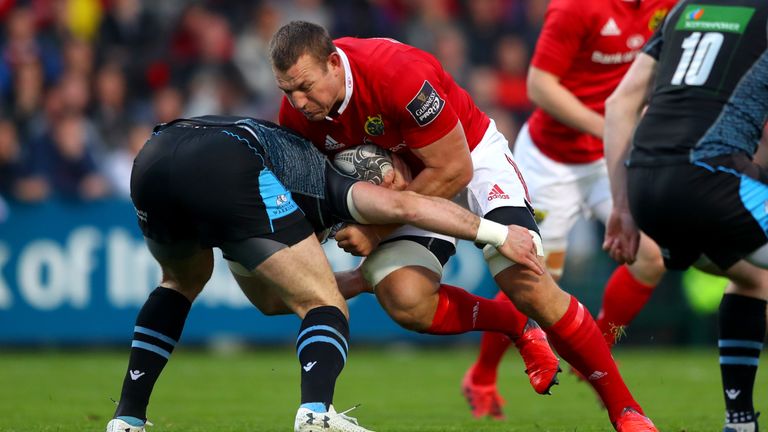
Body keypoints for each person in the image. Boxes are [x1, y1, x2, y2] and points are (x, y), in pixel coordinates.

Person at [270, 21, 658, 431]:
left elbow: (455, 170)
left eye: (305, 86)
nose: (298, 101)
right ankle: (514, 325)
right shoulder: (296, 118)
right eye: (287, 91)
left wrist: (376, 232)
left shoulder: (396, 73)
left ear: (333, 63)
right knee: (406, 301)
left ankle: (626, 410)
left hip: (470, 162)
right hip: (412, 191)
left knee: (527, 284)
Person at [105, 115, 545, 432]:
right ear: (371, 175)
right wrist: (496, 232)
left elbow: (269, 300)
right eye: (394, 176)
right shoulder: (337, 184)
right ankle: (317, 415)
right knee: (322, 304)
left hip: (156, 155)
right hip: (227, 166)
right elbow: (409, 207)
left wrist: (358, 279)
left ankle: (126, 418)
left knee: (180, 281)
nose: (400, 182)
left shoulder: (290, 169)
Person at [461, 0, 677, 417]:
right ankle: (483, 372)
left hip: (606, 160)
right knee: (536, 280)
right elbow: (540, 86)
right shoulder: (577, 7)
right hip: (549, 164)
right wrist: (612, 126)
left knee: (651, 255)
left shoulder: (666, 5)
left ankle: (600, 342)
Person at [602, 1, 768, 430]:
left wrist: (622, 207)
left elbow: (619, 103)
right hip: (712, 176)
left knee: (754, 279)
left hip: (646, 187)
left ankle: (740, 421)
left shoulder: (682, 11)